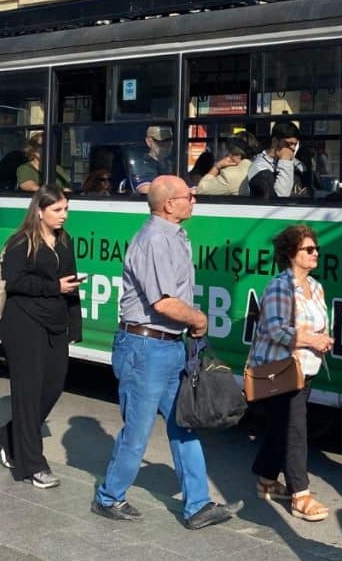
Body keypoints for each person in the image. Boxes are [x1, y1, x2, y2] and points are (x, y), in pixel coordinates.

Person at [91, 175, 240, 529]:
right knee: (139, 430)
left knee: (185, 423)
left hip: (169, 346)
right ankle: (109, 497)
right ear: (168, 204)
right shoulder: (155, 239)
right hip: (145, 348)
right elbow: (163, 302)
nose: (194, 201)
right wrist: (199, 319)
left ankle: (197, 505)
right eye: (189, 196)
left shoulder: (174, 235)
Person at [0, 185, 83, 488]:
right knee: (28, 393)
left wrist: (75, 325)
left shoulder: (65, 241)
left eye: (66, 209)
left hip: (55, 323)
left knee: (53, 386)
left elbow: (71, 283)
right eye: (58, 210)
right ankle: (33, 465)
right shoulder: (22, 241)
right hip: (23, 323)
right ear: (40, 211)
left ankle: (11, 435)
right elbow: (14, 281)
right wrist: (53, 288)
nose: (64, 215)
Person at [247, 224, 334, 522]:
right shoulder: (280, 287)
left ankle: (266, 480)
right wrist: (312, 339)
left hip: (306, 368)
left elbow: (318, 322)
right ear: (291, 254)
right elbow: (273, 329)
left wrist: (325, 337)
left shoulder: (316, 287)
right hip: (282, 370)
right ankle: (300, 495)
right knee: (296, 431)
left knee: (282, 429)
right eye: (308, 249)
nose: (315, 254)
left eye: (316, 249)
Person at [248, 120, 303, 200]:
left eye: (295, 144)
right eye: (288, 144)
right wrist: (285, 161)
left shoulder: (293, 162)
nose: (293, 148)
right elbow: (280, 197)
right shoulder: (260, 167)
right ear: (274, 142)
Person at [128, 126, 174, 194]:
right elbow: (145, 189)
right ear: (149, 142)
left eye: (169, 141)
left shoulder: (175, 162)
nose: (166, 145)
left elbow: (191, 187)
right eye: (161, 142)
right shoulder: (140, 164)